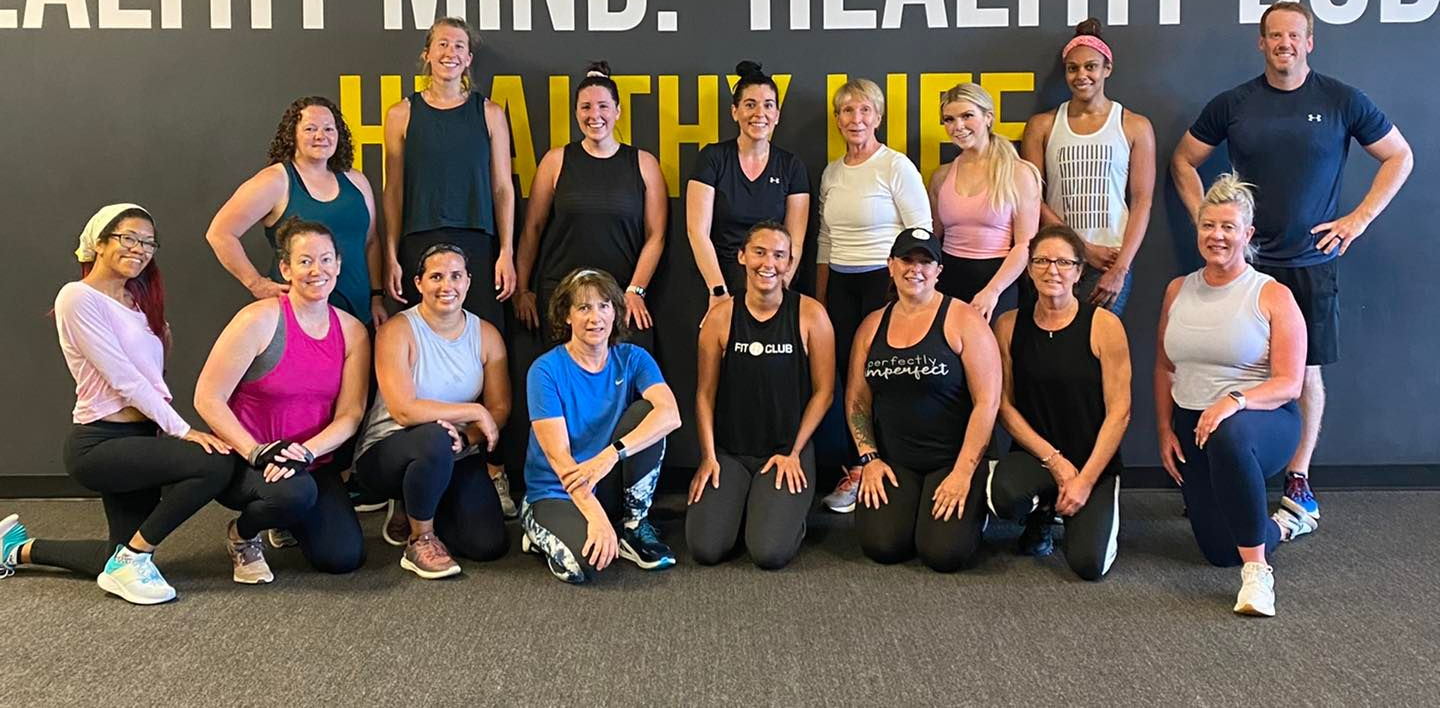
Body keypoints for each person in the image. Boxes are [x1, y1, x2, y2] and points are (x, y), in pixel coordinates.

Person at [1170, 1, 1413, 523]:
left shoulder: (1342, 99)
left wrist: (1359, 219)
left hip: (1309, 261)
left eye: (1294, 35)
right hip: (1244, 266)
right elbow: (1183, 160)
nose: (1284, 44)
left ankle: (1297, 477)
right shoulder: (1234, 103)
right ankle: (1231, 476)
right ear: (1261, 43)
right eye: (1274, 36)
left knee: (1303, 374)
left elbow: (1400, 155)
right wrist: (1204, 221)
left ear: (1310, 42)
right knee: (1233, 365)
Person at [0, 205, 233, 605]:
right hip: (101, 443)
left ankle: (16, 550)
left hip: (138, 436)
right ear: (99, 242)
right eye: (129, 238)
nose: (140, 249)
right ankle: (134, 558)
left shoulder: (137, 304)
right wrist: (182, 430)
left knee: (114, 555)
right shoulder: (77, 297)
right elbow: (124, 380)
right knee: (214, 463)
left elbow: (151, 378)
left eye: (148, 242)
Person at [1155, 174, 1312, 616]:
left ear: (1247, 234)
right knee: (1219, 551)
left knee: (1230, 435)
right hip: (1193, 423)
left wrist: (1234, 400)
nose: (1217, 236)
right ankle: (1284, 524)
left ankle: (1258, 574)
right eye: (1208, 226)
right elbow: (1165, 366)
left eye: (1228, 227)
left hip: (1261, 422)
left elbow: (1289, 384)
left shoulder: (1272, 295)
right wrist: (1166, 427)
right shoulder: (1177, 290)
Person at [382, 16, 519, 511]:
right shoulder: (401, 114)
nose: (450, 53)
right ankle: (413, 469)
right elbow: (393, 190)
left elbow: (504, 187)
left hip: (478, 243)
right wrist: (392, 255)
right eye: (442, 45)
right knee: (417, 356)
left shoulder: (490, 113)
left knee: (484, 358)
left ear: (469, 58)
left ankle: (492, 466)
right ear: (426, 53)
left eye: (459, 46)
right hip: (419, 238)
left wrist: (506, 251)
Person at [194, 218, 371, 583]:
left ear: (338, 264)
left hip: (308, 461)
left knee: (343, 557)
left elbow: (351, 415)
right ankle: (242, 535)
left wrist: (304, 452)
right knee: (293, 493)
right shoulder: (257, 320)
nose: (316, 270)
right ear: (285, 268)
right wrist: (257, 450)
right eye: (304, 261)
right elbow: (208, 398)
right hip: (250, 461)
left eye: (325, 260)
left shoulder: (352, 331)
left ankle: (286, 515)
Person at [353, 244, 511, 579]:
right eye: (435, 276)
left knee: (487, 545)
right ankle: (419, 538)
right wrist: (471, 410)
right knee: (434, 437)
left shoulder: (486, 335)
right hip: (389, 449)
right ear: (419, 283)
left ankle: (423, 503)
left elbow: (499, 407)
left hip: (454, 450)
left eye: (456, 276)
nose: (446, 285)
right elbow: (404, 410)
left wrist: (468, 436)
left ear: (468, 281)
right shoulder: (397, 330)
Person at [847, 228, 1001, 572]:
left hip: (953, 460)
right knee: (882, 546)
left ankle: (977, 504)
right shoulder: (872, 326)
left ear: (938, 271)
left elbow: (987, 403)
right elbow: (858, 400)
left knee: (944, 555)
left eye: (925, 262)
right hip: (896, 460)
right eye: (906, 260)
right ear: (890, 265)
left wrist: (963, 472)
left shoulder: (964, 320)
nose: (914, 269)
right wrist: (869, 459)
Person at [687, 222, 835, 569]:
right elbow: (704, 395)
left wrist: (796, 451)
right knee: (706, 549)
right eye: (759, 252)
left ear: (788, 263)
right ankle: (743, 503)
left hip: (785, 453)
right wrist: (708, 456)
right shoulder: (720, 318)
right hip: (731, 453)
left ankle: (781, 514)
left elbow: (824, 392)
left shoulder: (811, 314)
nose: (768, 263)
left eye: (779, 255)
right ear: (742, 257)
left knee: (769, 553)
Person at [520, 269, 682, 584]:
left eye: (604, 306)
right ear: (567, 316)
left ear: (616, 312)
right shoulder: (545, 370)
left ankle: (633, 525)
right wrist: (594, 515)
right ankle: (537, 533)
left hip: (603, 477)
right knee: (586, 566)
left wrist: (609, 456)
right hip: (557, 491)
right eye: (584, 308)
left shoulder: (633, 357)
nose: (596, 317)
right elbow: (559, 458)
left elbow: (671, 415)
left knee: (648, 412)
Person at [815, 78, 932, 515]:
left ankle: (890, 469)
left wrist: (907, 288)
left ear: (878, 117)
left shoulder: (895, 166)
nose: (855, 119)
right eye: (847, 111)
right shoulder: (831, 172)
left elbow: (922, 234)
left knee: (887, 378)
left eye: (864, 111)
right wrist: (823, 298)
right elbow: (825, 240)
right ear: (837, 119)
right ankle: (856, 470)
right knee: (851, 380)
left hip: (886, 285)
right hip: (842, 287)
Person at [989, 225, 1130, 581]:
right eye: (1042, 261)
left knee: (1087, 565)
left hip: (1092, 461)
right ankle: (1043, 511)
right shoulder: (1007, 325)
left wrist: (1082, 480)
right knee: (1003, 495)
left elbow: (1119, 412)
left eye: (1064, 262)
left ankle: (1079, 506)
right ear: (1029, 267)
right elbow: (1004, 407)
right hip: (1037, 457)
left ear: (1079, 272)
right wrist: (1055, 462)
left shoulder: (1104, 326)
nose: (1052, 270)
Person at [515, 61, 667, 350]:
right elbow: (532, 229)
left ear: (617, 111)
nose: (594, 115)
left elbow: (656, 236)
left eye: (603, 107)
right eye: (586, 107)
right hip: (563, 300)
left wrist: (635, 290)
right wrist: (522, 289)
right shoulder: (555, 161)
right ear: (576, 113)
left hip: (621, 299)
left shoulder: (644, 164)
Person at [205, 96, 385, 327]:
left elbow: (371, 242)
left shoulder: (356, 181)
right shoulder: (276, 180)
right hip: (299, 320)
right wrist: (256, 283)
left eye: (329, 129)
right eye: (310, 128)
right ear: (293, 135)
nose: (321, 136)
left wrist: (377, 297)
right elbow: (220, 233)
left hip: (358, 314)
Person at [1020, 19, 1156, 314]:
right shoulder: (1042, 126)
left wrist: (1121, 267)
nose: (1082, 75)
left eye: (1090, 66)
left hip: (1109, 262)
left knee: (1098, 349)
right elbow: (1031, 199)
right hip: (1054, 260)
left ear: (1107, 68)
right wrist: (1082, 249)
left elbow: (1143, 200)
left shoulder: (1134, 126)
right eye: (1073, 68)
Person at [686, 61, 811, 304]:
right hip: (720, 283)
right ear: (735, 111)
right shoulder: (712, 158)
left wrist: (778, 290)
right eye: (750, 105)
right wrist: (718, 292)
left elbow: (795, 241)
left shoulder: (791, 166)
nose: (759, 113)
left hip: (772, 284)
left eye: (768, 105)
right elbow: (697, 232)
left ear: (777, 114)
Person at [928, 82, 1041, 320]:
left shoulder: (1019, 173)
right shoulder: (941, 176)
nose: (958, 126)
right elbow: (933, 238)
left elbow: (1024, 245)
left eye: (967, 116)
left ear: (988, 117)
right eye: (949, 119)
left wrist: (993, 291)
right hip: (948, 281)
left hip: (999, 281)